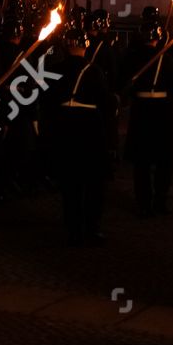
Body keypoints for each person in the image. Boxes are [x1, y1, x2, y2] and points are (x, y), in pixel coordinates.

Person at [48, 27, 113, 245]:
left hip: (65, 126)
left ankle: (73, 227)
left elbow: (48, 101)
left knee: (70, 183)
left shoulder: (56, 69)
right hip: (89, 129)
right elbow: (104, 104)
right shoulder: (94, 71)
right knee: (93, 183)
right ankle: (91, 228)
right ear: (86, 47)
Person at [120, 15, 173, 216]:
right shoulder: (166, 58)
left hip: (141, 109)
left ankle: (144, 201)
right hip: (161, 110)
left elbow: (124, 83)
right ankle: (159, 200)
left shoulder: (132, 56)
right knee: (163, 160)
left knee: (142, 160)